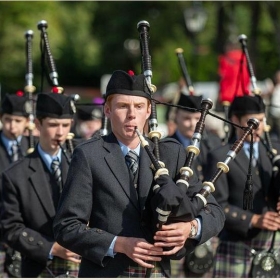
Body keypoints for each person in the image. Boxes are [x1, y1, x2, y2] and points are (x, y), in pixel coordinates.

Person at [53, 70, 225, 278]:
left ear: (148, 110)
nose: (131, 114)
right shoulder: (89, 155)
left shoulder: (172, 152)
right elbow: (67, 226)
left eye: (139, 106)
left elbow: (214, 211)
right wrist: (118, 244)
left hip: (157, 272)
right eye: (123, 106)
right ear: (107, 110)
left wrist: (190, 228)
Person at [1, 92, 81, 277]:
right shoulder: (15, 175)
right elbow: (11, 227)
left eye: (65, 125)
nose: (60, 132)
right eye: (53, 125)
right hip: (41, 267)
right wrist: (51, 248)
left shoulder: (84, 160)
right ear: (37, 124)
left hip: (85, 264)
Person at [205, 95, 280, 277]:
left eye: (261, 120)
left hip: (272, 244)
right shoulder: (220, 156)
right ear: (235, 120)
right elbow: (216, 205)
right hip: (237, 247)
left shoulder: (274, 152)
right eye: (252, 122)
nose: (258, 127)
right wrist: (253, 219)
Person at [170, 93, 223, 278]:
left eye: (197, 119)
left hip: (205, 226)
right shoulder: (165, 146)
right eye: (186, 118)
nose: (192, 124)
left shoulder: (213, 145)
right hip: (175, 229)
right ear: (175, 116)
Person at [0, 92, 33, 278]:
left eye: (18, 121)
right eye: (8, 120)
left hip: (27, 234)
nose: (12, 127)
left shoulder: (32, 147)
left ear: (26, 122)